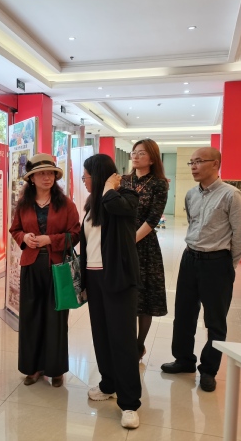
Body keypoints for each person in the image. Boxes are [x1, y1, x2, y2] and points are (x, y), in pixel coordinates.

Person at [161, 147, 241, 393]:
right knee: (183, 314)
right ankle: (184, 360)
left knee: (215, 321)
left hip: (217, 262)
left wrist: (226, 265)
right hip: (189, 258)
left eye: (199, 161)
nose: (193, 166)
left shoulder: (231, 195)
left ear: (216, 164)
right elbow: (193, 223)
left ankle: (209, 369)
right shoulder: (191, 194)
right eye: (191, 162)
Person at [80, 154, 142, 429]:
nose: (84, 181)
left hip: (117, 278)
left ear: (98, 176)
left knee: (123, 340)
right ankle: (109, 383)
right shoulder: (91, 204)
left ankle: (129, 403)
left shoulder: (125, 196)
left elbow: (119, 209)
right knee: (102, 335)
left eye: (86, 176)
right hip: (94, 279)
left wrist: (108, 188)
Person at [9, 153, 80, 388]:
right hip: (31, 266)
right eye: (41, 174)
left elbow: (76, 234)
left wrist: (51, 239)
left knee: (56, 318)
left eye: (50, 173)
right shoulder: (24, 204)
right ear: (32, 178)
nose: (47, 177)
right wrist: (24, 237)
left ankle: (55, 369)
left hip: (57, 267)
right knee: (31, 317)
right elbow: (15, 229)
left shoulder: (66, 204)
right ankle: (33, 367)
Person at [121, 139, 169, 361]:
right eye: (134, 152)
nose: (135, 156)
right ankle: (127, 342)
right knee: (126, 296)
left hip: (145, 245)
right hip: (122, 242)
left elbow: (153, 218)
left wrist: (132, 240)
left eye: (141, 153)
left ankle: (139, 345)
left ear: (152, 158)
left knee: (145, 296)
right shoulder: (123, 180)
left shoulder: (159, 183)